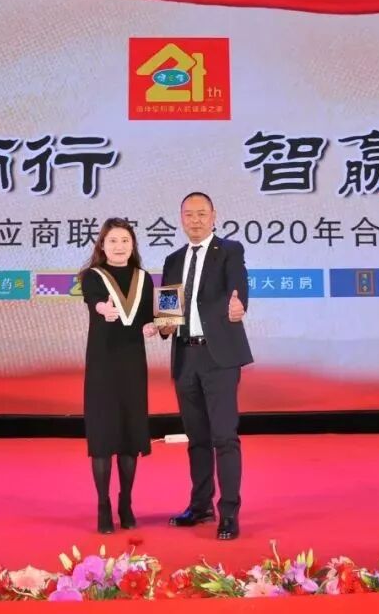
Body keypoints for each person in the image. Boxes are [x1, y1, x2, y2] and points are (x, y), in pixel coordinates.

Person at [158, 192, 252, 540]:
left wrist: (239, 306)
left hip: (219, 358)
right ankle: (200, 506)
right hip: (185, 356)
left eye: (201, 214)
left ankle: (229, 513)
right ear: (181, 218)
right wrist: (162, 324)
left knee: (224, 437)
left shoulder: (229, 251)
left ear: (214, 216)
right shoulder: (172, 260)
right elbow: (168, 311)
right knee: (196, 438)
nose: (195, 220)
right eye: (189, 214)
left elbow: (238, 291)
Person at [79, 217, 159, 534]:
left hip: (132, 364)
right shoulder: (92, 276)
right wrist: (104, 309)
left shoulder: (143, 278)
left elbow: (148, 317)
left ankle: (126, 503)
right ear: (102, 244)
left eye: (125, 240)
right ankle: (103, 505)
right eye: (113, 240)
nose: (119, 246)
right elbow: (94, 302)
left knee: (129, 436)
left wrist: (153, 326)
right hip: (103, 365)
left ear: (133, 244)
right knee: (102, 437)